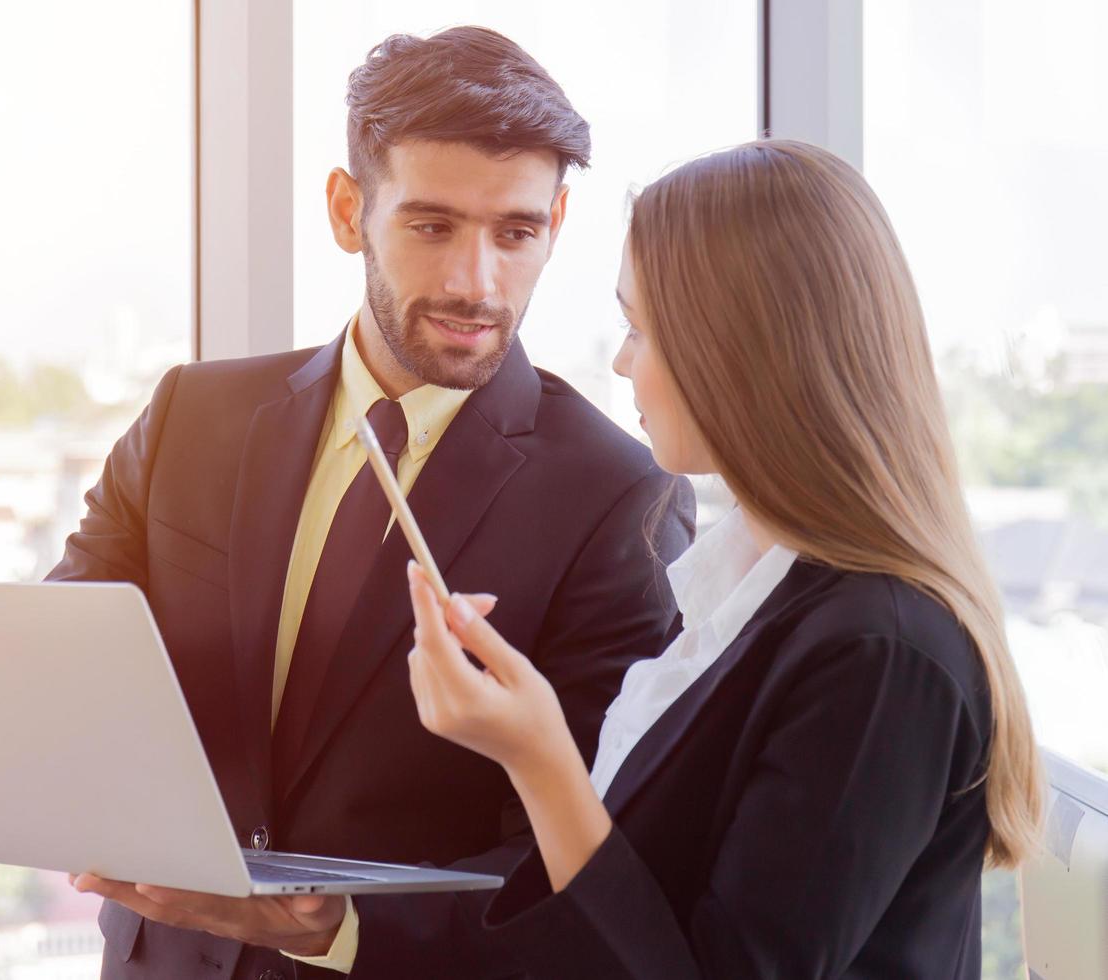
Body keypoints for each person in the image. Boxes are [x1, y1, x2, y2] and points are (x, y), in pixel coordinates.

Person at [54, 27, 693, 980]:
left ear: (557, 221)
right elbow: (62, 667)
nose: (477, 283)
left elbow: (582, 862)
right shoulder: (192, 414)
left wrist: (335, 930)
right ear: (349, 209)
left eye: (516, 232)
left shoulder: (619, 501)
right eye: (432, 226)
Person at [404, 138, 1043, 979]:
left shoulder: (880, 652)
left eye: (639, 329)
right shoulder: (750, 586)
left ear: (740, 354)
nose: (622, 360)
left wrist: (538, 757)